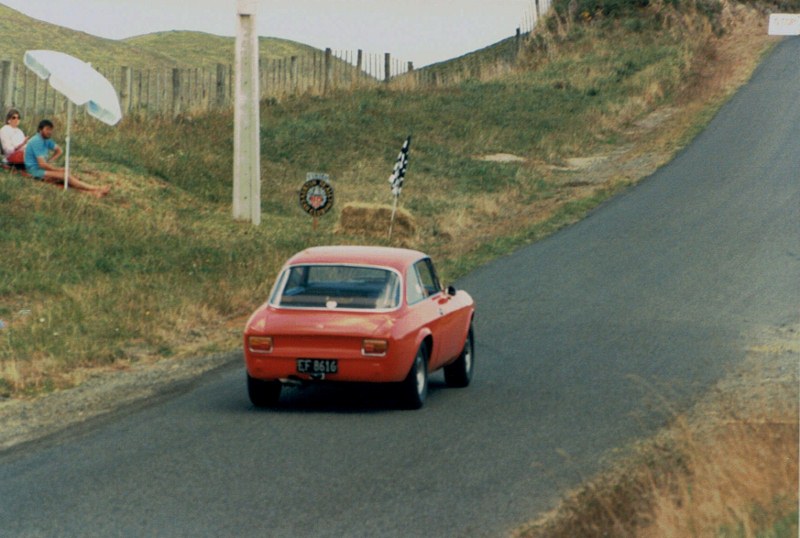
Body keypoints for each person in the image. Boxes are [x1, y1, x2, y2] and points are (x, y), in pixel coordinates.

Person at [23, 119, 110, 197]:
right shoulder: (36, 141)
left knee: (65, 175)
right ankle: (96, 188)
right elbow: (42, 164)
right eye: (47, 129)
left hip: (42, 168)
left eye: (51, 129)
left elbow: (59, 150)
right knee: (64, 175)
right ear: (40, 129)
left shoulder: (46, 140)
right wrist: (57, 169)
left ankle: (93, 192)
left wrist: (50, 161)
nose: (49, 132)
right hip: (34, 171)